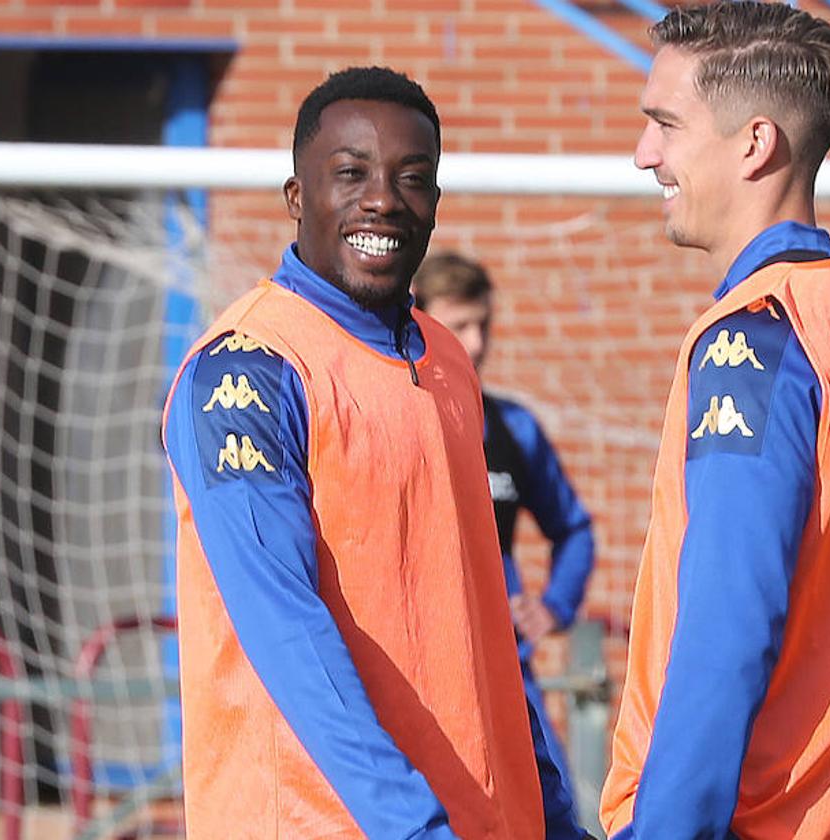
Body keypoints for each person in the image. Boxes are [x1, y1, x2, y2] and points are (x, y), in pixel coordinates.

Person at [162, 66, 582, 838]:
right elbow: (285, 628)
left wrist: (553, 809)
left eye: (411, 178)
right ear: (297, 198)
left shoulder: (448, 360)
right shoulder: (247, 369)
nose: (383, 198)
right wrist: (412, 824)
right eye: (350, 173)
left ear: (434, 204)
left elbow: (479, 613)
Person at [599, 4, 830, 838]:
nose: (645, 153)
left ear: (754, 143)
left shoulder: (757, 337)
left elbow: (726, 633)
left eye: (666, 124)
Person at [412, 252, 596, 810]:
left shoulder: (514, 430)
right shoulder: (398, 418)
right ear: (419, 319)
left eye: (483, 325)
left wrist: (555, 604)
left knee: (551, 811)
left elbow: (575, 528)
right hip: (417, 677)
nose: (475, 342)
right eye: (458, 325)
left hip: (508, 677)